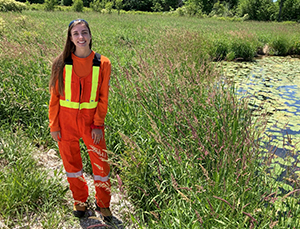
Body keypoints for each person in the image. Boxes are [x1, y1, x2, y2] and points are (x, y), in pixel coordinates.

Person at [48, 19, 112, 221]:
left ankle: (103, 204)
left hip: (92, 124)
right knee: (72, 165)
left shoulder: (103, 63)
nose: (81, 37)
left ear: (91, 35)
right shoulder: (60, 63)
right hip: (65, 124)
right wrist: (54, 126)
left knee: (101, 165)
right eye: (76, 33)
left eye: (84, 32)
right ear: (70, 37)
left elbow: (103, 97)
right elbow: (54, 98)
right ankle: (80, 201)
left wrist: (98, 124)